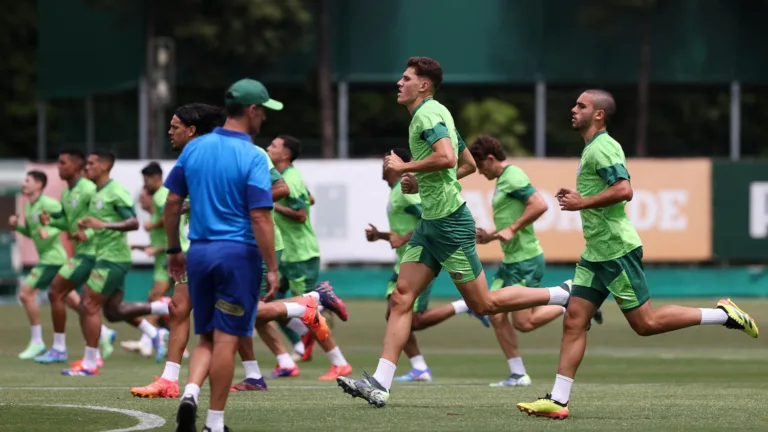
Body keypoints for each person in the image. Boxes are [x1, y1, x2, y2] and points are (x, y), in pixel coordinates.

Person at [337, 56, 572, 407]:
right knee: (402, 298)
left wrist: (406, 166)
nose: (399, 84)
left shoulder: (429, 114)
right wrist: (421, 178)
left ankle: (563, 293)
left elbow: (447, 157)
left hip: (449, 223)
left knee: (485, 303)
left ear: (424, 85)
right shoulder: (434, 113)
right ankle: (380, 384)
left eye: (406, 78)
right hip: (430, 225)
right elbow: (468, 165)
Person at [516, 89, 760, 420]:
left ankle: (723, 314)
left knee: (645, 324)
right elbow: (608, 190)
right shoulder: (592, 149)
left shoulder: (604, 147)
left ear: (598, 114)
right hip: (596, 253)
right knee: (574, 319)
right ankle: (558, 400)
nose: (573, 110)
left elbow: (624, 190)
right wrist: (581, 196)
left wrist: (581, 202)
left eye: (581, 106)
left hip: (616, 250)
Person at [164, 79, 315, 432]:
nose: (264, 118)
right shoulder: (253, 154)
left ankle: (189, 393)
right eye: (263, 110)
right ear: (251, 110)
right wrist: (273, 267)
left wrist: (174, 250)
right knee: (227, 339)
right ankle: (215, 423)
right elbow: (261, 215)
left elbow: (172, 203)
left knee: (205, 336)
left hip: (198, 252)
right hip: (237, 255)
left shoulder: (194, 149)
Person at [470, 135, 604, 387]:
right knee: (493, 313)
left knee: (524, 323)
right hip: (511, 261)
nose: (479, 172)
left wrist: (512, 228)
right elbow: (510, 224)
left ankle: (568, 297)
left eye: (480, 166)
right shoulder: (502, 181)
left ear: (490, 158)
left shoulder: (513, 176)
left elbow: (540, 205)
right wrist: (490, 236)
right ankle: (518, 374)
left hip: (526, 260)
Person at [366, 148, 490, 383]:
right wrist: (380, 235)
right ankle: (417, 368)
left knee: (415, 318)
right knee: (394, 311)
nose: (385, 165)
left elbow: (427, 219)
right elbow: (400, 233)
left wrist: (402, 239)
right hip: (404, 260)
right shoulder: (395, 192)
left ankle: (464, 306)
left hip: (420, 257)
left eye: (388, 160)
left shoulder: (405, 192)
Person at [61, 150, 170, 376]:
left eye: (90, 164)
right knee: (113, 312)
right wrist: (87, 231)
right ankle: (161, 310)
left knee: (88, 304)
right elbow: (101, 224)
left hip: (113, 258)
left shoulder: (115, 190)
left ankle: (90, 362)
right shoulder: (97, 193)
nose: (86, 168)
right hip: (105, 256)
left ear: (103, 166)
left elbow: (132, 222)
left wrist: (101, 225)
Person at [267, 135, 353, 381]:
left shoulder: (290, 180)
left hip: (300, 255)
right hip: (285, 254)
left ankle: (339, 363)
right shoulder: (287, 177)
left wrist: (271, 206)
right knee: (270, 302)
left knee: (307, 311)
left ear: (285, 155)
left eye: (273, 146)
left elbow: (302, 214)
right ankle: (300, 342)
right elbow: (310, 199)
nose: (268, 148)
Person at [35, 150, 117, 364]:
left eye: (63, 163)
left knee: (56, 292)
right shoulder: (67, 192)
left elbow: (99, 220)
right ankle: (109, 340)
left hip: (93, 253)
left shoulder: (89, 189)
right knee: (106, 308)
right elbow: (65, 221)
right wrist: (50, 220)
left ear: (75, 165)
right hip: (84, 252)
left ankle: (60, 348)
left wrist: (86, 233)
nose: (59, 167)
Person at [11, 171, 68, 359]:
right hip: (49, 259)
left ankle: (37, 342)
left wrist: (50, 232)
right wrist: (17, 227)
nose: (24, 183)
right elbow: (33, 233)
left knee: (25, 294)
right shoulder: (28, 206)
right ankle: (104, 332)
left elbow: (66, 222)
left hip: (52, 259)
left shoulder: (49, 203)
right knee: (71, 299)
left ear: (39, 184)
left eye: (27, 180)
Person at [123, 162, 173, 357]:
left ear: (155, 178)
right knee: (159, 299)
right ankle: (152, 338)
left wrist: (154, 225)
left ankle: (151, 337)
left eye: (146, 180)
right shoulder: (161, 197)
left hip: (170, 255)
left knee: (157, 298)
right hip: (166, 255)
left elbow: (170, 221)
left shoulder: (161, 197)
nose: (145, 184)